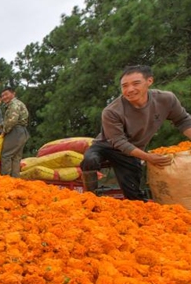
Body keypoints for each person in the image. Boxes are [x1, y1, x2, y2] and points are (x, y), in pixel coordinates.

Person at [80, 65, 191, 200]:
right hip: (106, 145)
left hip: (133, 149)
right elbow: (119, 142)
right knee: (89, 159)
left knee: (135, 197)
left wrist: (144, 156)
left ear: (149, 81)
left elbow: (183, 121)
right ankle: (90, 197)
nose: (130, 89)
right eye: (124, 86)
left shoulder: (166, 99)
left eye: (136, 83)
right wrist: (148, 157)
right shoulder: (112, 111)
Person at [0, 87, 29, 177]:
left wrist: (4, 132)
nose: (4, 97)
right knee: (16, 158)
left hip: (15, 131)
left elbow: (12, 121)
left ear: (13, 94)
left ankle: (5, 180)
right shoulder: (17, 104)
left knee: (6, 156)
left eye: (6, 94)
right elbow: (8, 120)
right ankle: (15, 181)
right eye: (2, 95)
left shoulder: (13, 105)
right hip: (22, 132)